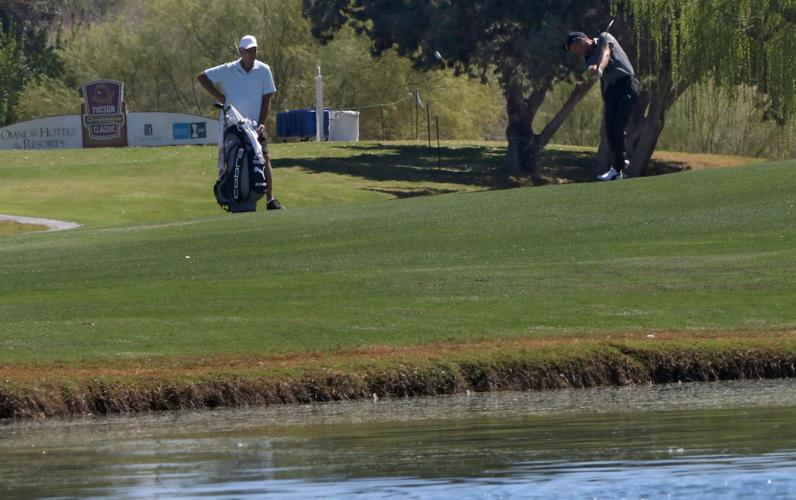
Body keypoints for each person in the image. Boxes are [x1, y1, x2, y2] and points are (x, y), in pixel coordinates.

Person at [198, 35, 283, 209]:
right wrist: (220, 97)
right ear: (240, 51)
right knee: (232, 159)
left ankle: (270, 199)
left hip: (254, 126)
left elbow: (267, 100)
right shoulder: (228, 69)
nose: (252, 53)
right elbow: (202, 77)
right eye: (248, 50)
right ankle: (233, 198)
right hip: (233, 124)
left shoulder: (263, 70)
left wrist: (262, 122)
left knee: (264, 158)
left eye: (254, 50)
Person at [566, 31, 640, 181]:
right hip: (611, 90)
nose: (576, 52)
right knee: (609, 129)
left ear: (581, 40)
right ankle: (620, 160)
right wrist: (592, 68)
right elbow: (591, 66)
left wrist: (599, 68)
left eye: (574, 48)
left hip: (627, 84)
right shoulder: (587, 58)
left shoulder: (605, 37)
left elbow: (606, 53)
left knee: (618, 126)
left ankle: (617, 168)